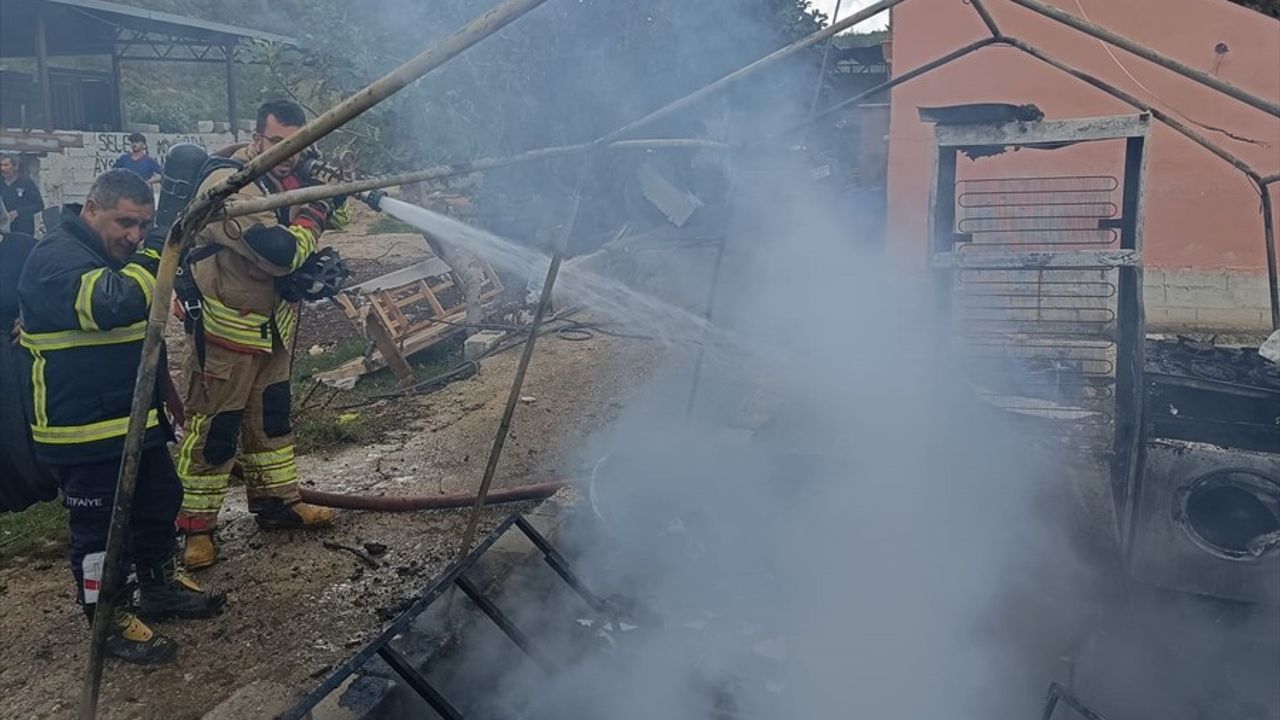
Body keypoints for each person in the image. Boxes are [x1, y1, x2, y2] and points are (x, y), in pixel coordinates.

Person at [17, 170, 225, 665]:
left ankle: (159, 590)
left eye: (144, 224)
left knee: (159, 504)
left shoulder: (110, 253)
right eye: (125, 223)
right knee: (99, 531)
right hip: (83, 429)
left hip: (133, 418)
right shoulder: (55, 258)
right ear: (91, 210)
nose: (133, 235)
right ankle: (106, 618)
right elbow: (114, 302)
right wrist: (159, 246)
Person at [175, 99, 347, 569]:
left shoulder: (283, 178)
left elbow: (344, 217)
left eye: (298, 144)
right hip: (226, 333)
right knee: (214, 429)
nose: (289, 153)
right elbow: (279, 252)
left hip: (275, 329)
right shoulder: (227, 184)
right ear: (256, 137)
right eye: (278, 143)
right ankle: (196, 528)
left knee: (271, 419)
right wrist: (314, 213)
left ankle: (277, 503)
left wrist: (326, 190)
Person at [1, 154, 44, 236]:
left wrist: (18, 212)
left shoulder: (26, 183)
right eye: (1, 165)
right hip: (3, 231)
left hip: (23, 230)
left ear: (15, 167)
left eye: (6, 165)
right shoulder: (1, 183)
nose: (3, 168)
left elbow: (39, 205)